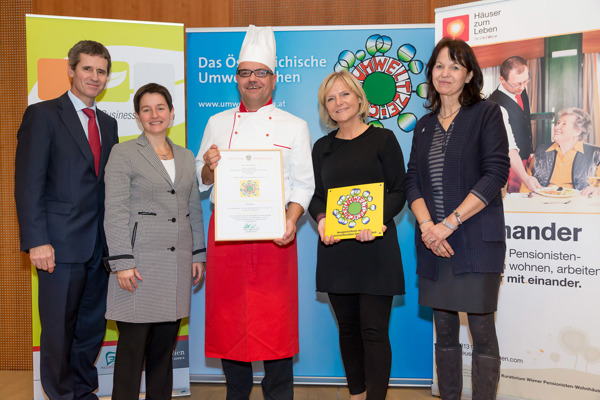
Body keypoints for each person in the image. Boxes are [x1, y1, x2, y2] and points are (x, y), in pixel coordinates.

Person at [196, 25, 314, 399]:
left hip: (274, 234)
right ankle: (237, 393)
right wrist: (209, 166)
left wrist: (291, 220)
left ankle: (278, 393)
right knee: (229, 319)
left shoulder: (295, 126)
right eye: (245, 72)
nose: (252, 79)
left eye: (260, 72)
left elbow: (304, 184)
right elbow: (201, 180)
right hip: (227, 233)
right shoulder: (217, 123)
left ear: (273, 79)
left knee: (275, 321)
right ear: (236, 79)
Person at [404, 38, 510, 400]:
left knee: (482, 332)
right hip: (434, 243)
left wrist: (448, 224)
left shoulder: (486, 113)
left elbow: (495, 174)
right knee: (445, 330)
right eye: (439, 65)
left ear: (468, 75)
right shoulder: (423, 125)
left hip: (476, 240)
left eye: (455, 66)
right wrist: (427, 228)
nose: (445, 73)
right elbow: (412, 181)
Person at [14, 40, 118, 400]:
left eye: (101, 71)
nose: (95, 76)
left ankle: (84, 392)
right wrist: (36, 240)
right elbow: (28, 182)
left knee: (91, 328)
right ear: (71, 70)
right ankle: (60, 395)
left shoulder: (108, 123)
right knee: (58, 329)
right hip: (57, 246)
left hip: (99, 247)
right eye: (87, 68)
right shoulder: (42, 115)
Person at [103, 83, 206, 399]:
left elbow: (192, 209)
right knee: (132, 353)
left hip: (176, 267)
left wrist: (197, 255)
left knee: (163, 353)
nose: (154, 114)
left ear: (172, 113)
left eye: (160, 108)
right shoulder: (124, 153)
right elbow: (114, 210)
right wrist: (122, 262)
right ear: (137, 116)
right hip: (138, 267)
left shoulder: (186, 157)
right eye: (146, 109)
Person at [308, 71, 406, 400]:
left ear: (359, 98)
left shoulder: (384, 139)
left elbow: (400, 190)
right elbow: (316, 196)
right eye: (331, 98)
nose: (339, 102)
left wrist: (376, 219)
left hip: (376, 248)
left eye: (345, 94)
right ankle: (356, 394)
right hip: (336, 250)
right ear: (325, 107)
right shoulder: (322, 148)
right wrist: (322, 219)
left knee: (374, 332)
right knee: (348, 330)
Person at [488, 56, 541, 192]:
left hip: (526, 157)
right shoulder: (494, 105)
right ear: (502, 79)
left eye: (525, 81)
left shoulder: (521, 90)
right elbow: (508, 146)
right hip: (510, 163)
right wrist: (524, 175)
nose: (522, 87)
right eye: (517, 84)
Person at [523, 107, 600, 195]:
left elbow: (598, 186)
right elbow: (526, 185)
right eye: (558, 123)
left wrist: (597, 189)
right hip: (543, 200)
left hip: (578, 201)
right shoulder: (540, 152)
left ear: (578, 131)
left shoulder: (595, 154)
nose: (556, 127)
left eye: (564, 124)